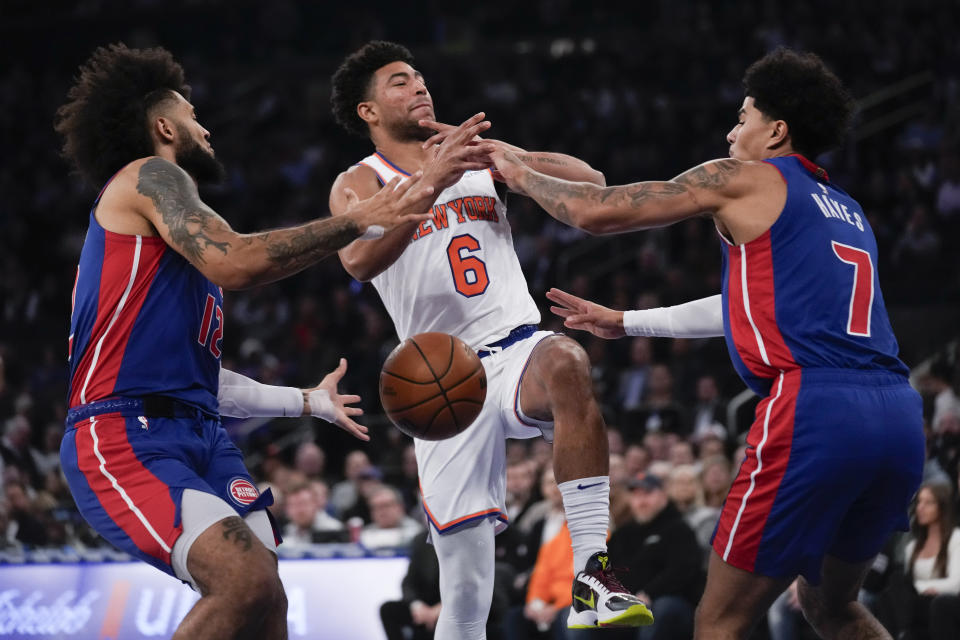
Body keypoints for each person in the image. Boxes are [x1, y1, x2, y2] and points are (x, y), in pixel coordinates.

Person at [491, 48, 925, 639]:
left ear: (776, 130)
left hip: (816, 410)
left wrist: (516, 170)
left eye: (743, 117)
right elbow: (750, 310)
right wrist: (630, 321)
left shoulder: (742, 179)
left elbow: (596, 210)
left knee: (719, 621)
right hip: (898, 415)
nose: (730, 131)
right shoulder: (846, 210)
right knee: (833, 606)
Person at [54, 43, 439, 640]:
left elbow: (202, 383)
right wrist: (361, 218)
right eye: (191, 116)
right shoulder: (150, 176)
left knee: (267, 603)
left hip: (196, 431)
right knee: (243, 582)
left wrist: (305, 402)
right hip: (124, 436)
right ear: (163, 126)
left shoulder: (174, 237)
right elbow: (239, 262)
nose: (204, 127)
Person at [328, 41, 653, 637]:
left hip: (514, 348)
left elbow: (592, 181)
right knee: (466, 598)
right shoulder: (357, 181)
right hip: (437, 376)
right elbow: (358, 261)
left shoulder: (478, 160)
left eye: (420, 77)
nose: (419, 87)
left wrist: (502, 155)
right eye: (400, 82)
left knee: (567, 362)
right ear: (368, 111)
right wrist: (430, 179)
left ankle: (591, 572)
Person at [607, 473, 704, 640]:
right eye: (636, 495)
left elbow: (683, 570)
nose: (641, 501)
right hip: (626, 604)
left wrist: (649, 593)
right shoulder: (623, 533)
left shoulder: (679, 529)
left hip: (671, 603)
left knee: (660, 610)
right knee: (576, 616)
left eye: (647, 494)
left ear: (663, 496)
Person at [896, 482, 960, 640]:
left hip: (945, 605)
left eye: (928, 502)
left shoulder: (956, 538)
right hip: (917, 609)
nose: (920, 507)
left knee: (938, 604)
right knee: (894, 586)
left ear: (941, 506)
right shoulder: (912, 547)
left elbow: (955, 584)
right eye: (919, 501)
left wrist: (918, 588)